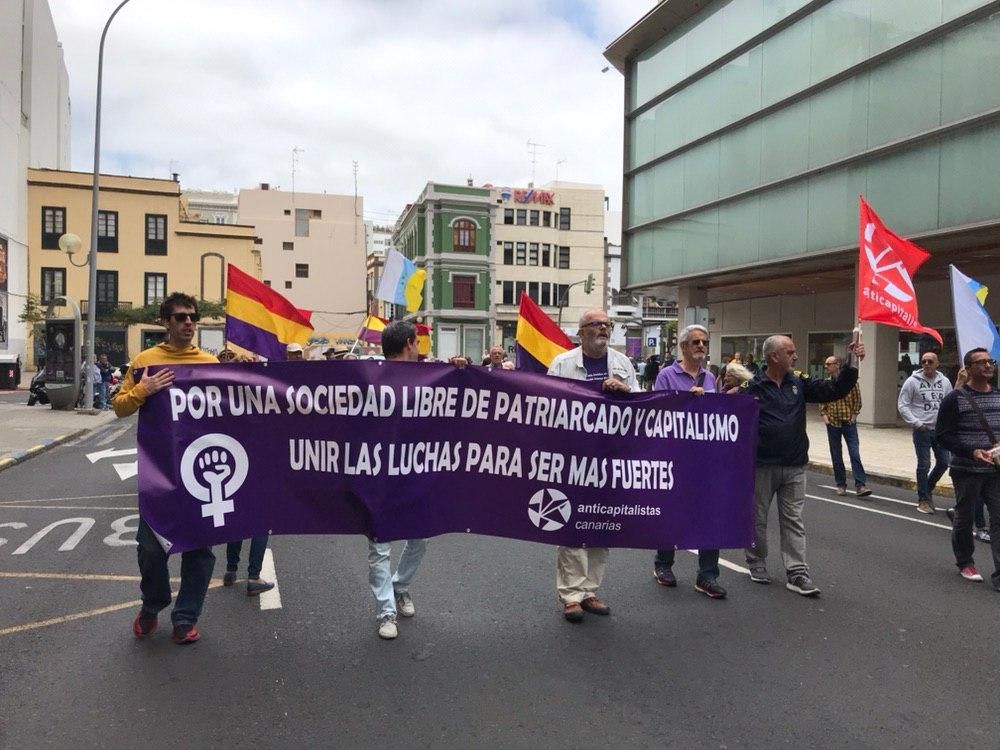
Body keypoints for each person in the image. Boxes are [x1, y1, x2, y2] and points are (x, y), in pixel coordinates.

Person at [113, 292, 218, 645]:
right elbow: (120, 408)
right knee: (150, 548)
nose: (188, 322)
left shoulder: (211, 362)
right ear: (165, 323)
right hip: (159, 472)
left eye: (192, 317)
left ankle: (186, 618)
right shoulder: (146, 361)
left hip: (203, 471)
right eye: (180, 317)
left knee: (200, 550)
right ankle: (152, 603)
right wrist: (143, 389)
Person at [741, 334, 864, 596]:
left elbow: (835, 390)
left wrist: (851, 362)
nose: (796, 356)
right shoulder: (751, 386)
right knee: (757, 518)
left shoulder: (798, 381)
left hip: (795, 465)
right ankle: (756, 561)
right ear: (774, 356)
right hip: (761, 465)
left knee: (793, 520)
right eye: (791, 352)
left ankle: (797, 572)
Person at [547, 308, 638, 622]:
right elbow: (545, 406)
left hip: (610, 458)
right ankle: (571, 595)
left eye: (607, 324)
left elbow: (641, 401)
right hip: (573, 458)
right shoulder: (562, 364)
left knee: (602, 523)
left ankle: (589, 591)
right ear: (581, 332)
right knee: (572, 524)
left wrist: (626, 392)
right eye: (596, 324)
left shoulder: (623, 363)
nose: (603, 328)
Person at [650, 324, 726, 599]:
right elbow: (657, 411)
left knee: (709, 515)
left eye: (704, 342)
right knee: (672, 512)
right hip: (675, 457)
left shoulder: (710, 377)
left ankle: (707, 575)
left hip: (704, 458)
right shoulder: (667, 375)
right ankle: (663, 564)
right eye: (695, 342)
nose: (701, 347)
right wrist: (684, 401)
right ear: (683, 347)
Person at [368, 320, 429, 640]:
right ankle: (385, 610)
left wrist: (461, 369)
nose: (419, 347)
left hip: (413, 474)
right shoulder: (369, 377)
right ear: (409, 342)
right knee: (379, 547)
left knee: (420, 539)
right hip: (377, 476)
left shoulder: (429, 376)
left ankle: (399, 587)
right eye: (417, 342)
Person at [934, 348, 1000, 588]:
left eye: (989, 361)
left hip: (995, 471)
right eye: (981, 362)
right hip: (967, 470)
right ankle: (965, 561)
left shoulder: (998, 395)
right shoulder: (955, 398)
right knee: (965, 516)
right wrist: (971, 451)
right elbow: (943, 436)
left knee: (998, 518)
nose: (987, 365)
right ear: (968, 368)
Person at [216, 349, 276, 596]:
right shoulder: (263, 394)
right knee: (261, 522)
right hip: (259, 465)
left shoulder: (221, 396)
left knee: (237, 520)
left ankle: (231, 569)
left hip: (231, 465)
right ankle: (253, 575)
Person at [897, 351, 953, 514]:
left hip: (940, 430)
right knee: (924, 464)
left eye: (930, 361)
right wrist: (917, 423)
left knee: (944, 462)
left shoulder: (945, 381)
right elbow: (903, 405)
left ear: (937, 364)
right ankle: (923, 500)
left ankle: (927, 488)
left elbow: (949, 402)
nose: (927, 364)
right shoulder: (912, 382)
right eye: (924, 362)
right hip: (922, 430)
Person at [819, 356, 871, 498]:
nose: (826, 367)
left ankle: (860, 485)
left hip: (848, 422)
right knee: (836, 455)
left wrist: (854, 417)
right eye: (826, 364)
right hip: (833, 423)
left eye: (829, 364)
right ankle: (841, 484)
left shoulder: (851, 383)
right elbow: (821, 401)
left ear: (837, 365)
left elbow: (857, 401)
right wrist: (825, 417)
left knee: (854, 453)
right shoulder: (827, 383)